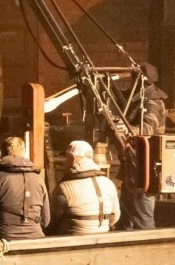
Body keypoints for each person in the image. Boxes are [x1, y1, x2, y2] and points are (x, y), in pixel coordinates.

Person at [116, 62, 166, 230]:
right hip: (133, 166)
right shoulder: (139, 98)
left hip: (145, 167)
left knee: (142, 215)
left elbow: (149, 128)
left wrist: (128, 129)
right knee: (127, 216)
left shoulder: (154, 101)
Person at [0, 136, 50, 240]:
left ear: (2, 154)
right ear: (24, 153)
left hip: (3, 241)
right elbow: (45, 221)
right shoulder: (39, 180)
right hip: (35, 240)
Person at [50, 140, 120, 235]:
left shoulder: (64, 187)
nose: (64, 161)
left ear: (72, 158)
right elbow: (116, 215)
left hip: (72, 241)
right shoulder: (108, 183)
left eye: (66, 157)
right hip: (104, 235)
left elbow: (52, 220)